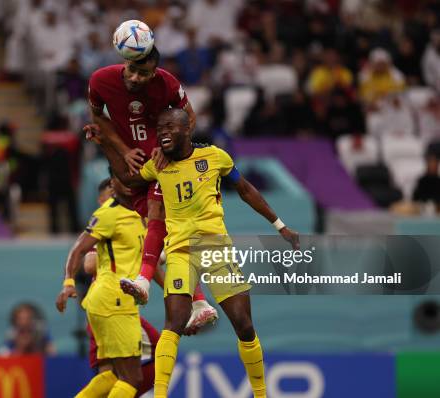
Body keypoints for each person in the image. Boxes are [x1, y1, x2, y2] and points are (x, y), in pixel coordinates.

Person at [98, 108, 300, 398]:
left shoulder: (215, 157)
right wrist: (105, 142)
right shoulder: (159, 165)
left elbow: (245, 189)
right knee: (175, 322)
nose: (163, 132)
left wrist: (280, 225)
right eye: (160, 128)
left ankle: (261, 394)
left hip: (215, 247)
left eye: (170, 127)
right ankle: (161, 394)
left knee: (244, 324)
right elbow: (128, 180)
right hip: (180, 251)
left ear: (186, 130)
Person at [85, 44, 217, 332]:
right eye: (132, 70)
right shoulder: (100, 80)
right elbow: (98, 117)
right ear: (125, 63)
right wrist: (118, 147)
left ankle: (165, 290)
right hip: (134, 170)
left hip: (164, 168)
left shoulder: (167, 83)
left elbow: (189, 117)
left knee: (161, 225)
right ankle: (199, 302)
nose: (135, 78)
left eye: (143, 74)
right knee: (160, 236)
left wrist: (166, 148)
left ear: (154, 72)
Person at [56, 170, 154, 397]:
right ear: (113, 183)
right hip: (114, 301)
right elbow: (79, 249)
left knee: (115, 374)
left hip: (114, 301)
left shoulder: (141, 212)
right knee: (132, 378)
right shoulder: (109, 214)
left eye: (132, 179)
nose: (129, 184)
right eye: (122, 179)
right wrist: (68, 282)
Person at [82, 178, 161, 397]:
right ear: (102, 198)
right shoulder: (106, 220)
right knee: (134, 371)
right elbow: (88, 263)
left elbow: (150, 259)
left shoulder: (134, 218)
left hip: (112, 304)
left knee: (113, 374)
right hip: (111, 305)